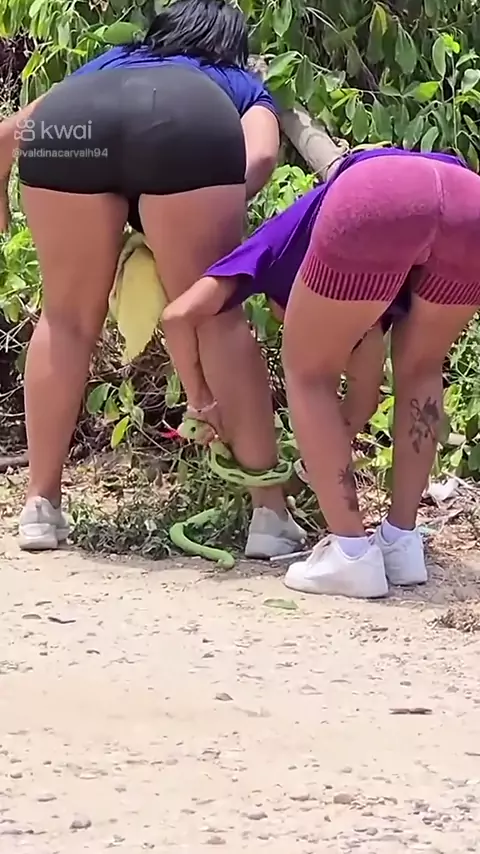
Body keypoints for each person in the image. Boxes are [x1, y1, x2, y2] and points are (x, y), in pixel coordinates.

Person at [0, 0, 305, 556]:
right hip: (187, 123)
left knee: (65, 319)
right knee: (216, 320)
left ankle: (40, 506)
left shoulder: (112, 60)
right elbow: (259, 157)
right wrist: (201, 211)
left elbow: (9, 132)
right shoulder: (236, 80)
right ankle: (269, 514)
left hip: (73, 121)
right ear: (230, 44)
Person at [161, 145, 480, 598]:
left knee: (308, 373)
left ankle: (350, 552)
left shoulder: (270, 250)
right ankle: (401, 543)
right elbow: (361, 404)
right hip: (469, 201)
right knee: (423, 368)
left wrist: (199, 402)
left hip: (376, 196)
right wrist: (315, 459)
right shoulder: (369, 304)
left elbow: (177, 315)